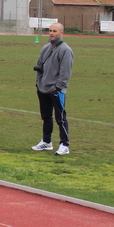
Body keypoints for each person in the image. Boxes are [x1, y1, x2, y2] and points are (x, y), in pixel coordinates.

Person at [32, 23, 74, 156]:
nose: (51, 33)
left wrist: (58, 87)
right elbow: (39, 67)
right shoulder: (45, 48)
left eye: (54, 31)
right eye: (50, 31)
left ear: (61, 33)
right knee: (46, 117)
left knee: (60, 118)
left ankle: (64, 144)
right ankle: (46, 141)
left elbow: (65, 72)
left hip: (56, 90)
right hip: (43, 88)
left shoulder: (65, 50)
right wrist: (39, 83)